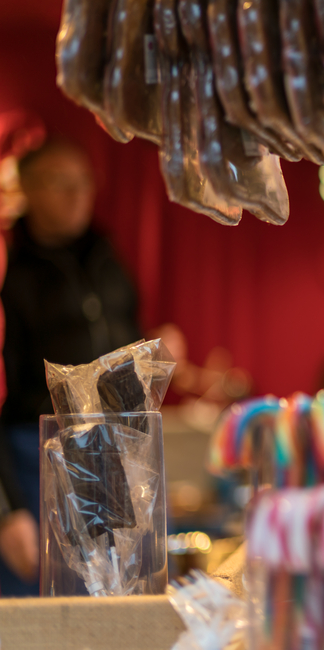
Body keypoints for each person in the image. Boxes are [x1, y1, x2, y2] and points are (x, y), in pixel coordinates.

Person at [0, 139, 141, 595]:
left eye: (83, 182)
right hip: (34, 456)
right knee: (46, 597)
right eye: (60, 183)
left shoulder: (106, 255)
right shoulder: (11, 271)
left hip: (112, 451)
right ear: (27, 189)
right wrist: (7, 508)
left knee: (119, 594)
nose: (77, 194)